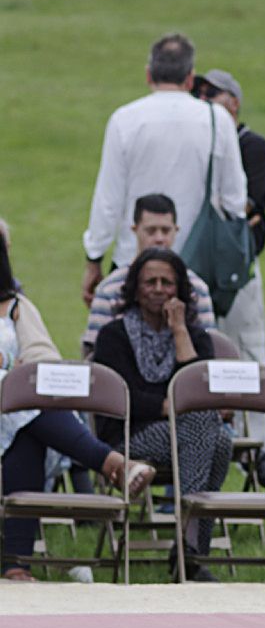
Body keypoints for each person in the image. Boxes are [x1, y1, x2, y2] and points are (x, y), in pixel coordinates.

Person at [0, 233, 154, 581]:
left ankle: (15, 565)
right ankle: (112, 464)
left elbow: (44, 362)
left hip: (13, 416)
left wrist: (13, 367)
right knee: (24, 412)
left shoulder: (15, 307)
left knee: (25, 419)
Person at [93, 247, 233, 581]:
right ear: (135, 288)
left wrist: (180, 332)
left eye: (167, 282)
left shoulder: (197, 336)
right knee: (211, 432)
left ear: (180, 289)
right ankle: (191, 554)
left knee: (219, 439)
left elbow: (198, 390)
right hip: (130, 435)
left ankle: (187, 550)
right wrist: (165, 406)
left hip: (185, 434)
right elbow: (120, 395)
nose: (158, 289)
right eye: (150, 282)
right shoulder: (113, 335)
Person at [81, 33, 247, 306]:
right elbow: (234, 200)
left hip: (133, 263)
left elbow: (108, 201)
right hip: (198, 265)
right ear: (190, 79)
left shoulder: (125, 120)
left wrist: (94, 259)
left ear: (149, 75)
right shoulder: (217, 120)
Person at [193, 67, 265, 488]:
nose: (205, 102)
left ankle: (257, 450)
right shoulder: (194, 141)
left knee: (248, 352)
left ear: (234, 102)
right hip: (194, 263)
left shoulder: (252, 147)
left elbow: (249, 209)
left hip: (237, 266)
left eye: (213, 95)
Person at [83, 193, 215, 351]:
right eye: (151, 231)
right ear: (135, 230)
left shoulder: (197, 289)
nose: (159, 238)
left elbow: (209, 348)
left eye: (165, 231)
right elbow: (93, 352)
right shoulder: (109, 289)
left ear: (176, 231)